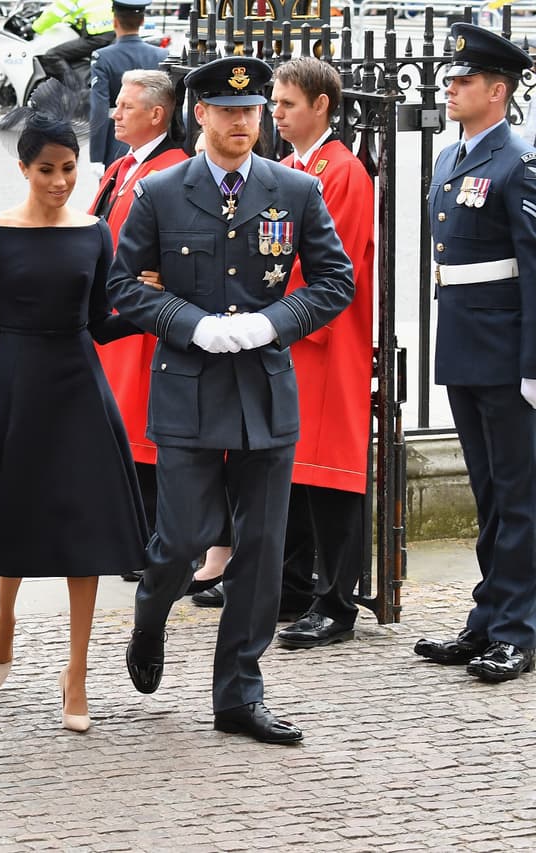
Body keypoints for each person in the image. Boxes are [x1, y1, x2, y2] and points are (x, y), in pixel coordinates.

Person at [107, 57, 354, 744]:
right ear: (200, 115)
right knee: (182, 537)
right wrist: (194, 325)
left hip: (264, 390)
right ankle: (151, 612)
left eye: (251, 111)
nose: (242, 122)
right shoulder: (159, 192)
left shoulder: (294, 190)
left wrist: (272, 321)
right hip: (188, 383)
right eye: (227, 110)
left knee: (262, 546)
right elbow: (123, 288)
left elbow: (336, 281)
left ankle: (238, 692)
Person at [0, 84, 148, 734]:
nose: (59, 180)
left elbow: (101, 322)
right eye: (46, 169)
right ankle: (5, 614)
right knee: (12, 516)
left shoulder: (95, 232)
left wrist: (142, 306)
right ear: (24, 168)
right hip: (13, 385)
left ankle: (75, 673)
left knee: (85, 535)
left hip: (79, 389)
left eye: (69, 168)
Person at [413, 24, 536, 683]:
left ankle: (518, 631)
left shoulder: (519, 160)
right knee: (489, 493)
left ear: (498, 90)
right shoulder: (449, 157)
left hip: (507, 349)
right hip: (464, 341)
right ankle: (488, 619)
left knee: (519, 496)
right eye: (450, 80)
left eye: (463, 81)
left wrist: (533, 364)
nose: (451, 88)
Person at [266, 57, 376, 649]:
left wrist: (266, 311)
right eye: (275, 103)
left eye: (286, 104)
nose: (275, 114)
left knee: (331, 476)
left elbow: (334, 267)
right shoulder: (287, 167)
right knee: (291, 470)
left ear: (321, 106)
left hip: (322, 339)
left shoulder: (344, 172)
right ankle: (290, 586)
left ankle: (336, 602)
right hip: (290, 335)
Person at [89, 69, 187, 566]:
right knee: (119, 434)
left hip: (143, 322)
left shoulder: (171, 168)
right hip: (115, 316)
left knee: (144, 438)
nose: (114, 114)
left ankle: (149, 541)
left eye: (126, 106)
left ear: (157, 114)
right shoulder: (124, 165)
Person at [88, 0, 167, 173]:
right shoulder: (162, 55)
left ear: (115, 21)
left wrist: (96, 156)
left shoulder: (103, 57)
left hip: (118, 141)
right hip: (156, 139)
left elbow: (99, 108)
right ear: (142, 21)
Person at [29, 0, 115, 88]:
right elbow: (78, 13)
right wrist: (66, 20)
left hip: (98, 37)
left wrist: (35, 28)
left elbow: (54, 13)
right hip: (116, 32)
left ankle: (79, 92)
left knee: (52, 55)